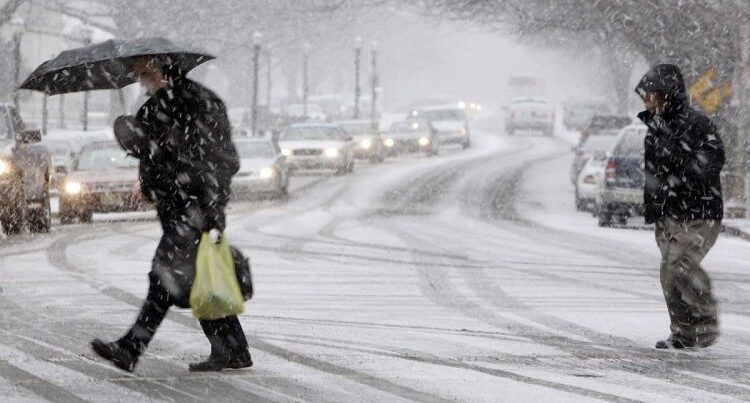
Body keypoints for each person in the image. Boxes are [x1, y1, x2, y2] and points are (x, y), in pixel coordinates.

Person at [91, 56, 253, 372]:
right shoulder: (153, 107)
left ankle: (131, 347)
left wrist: (210, 206)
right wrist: (133, 140)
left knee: (162, 276)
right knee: (197, 278)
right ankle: (234, 350)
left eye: (146, 73)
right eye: (139, 75)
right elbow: (149, 150)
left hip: (195, 207)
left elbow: (223, 160)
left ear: (165, 69)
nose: (142, 81)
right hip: (174, 206)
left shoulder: (200, 102)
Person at [635, 64, 725, 349]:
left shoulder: (698, 125)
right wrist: (655, 209)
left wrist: (682, 176)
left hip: (699, 212)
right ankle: (684, 332)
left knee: (680, 265)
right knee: (669, 273)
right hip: (669, 214)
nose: (646, 101)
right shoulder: (654, 130)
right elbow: (653, 174)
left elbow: (712, 160)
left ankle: (705, 321)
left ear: (666, 94)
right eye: (644, 96)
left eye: (650, 95)